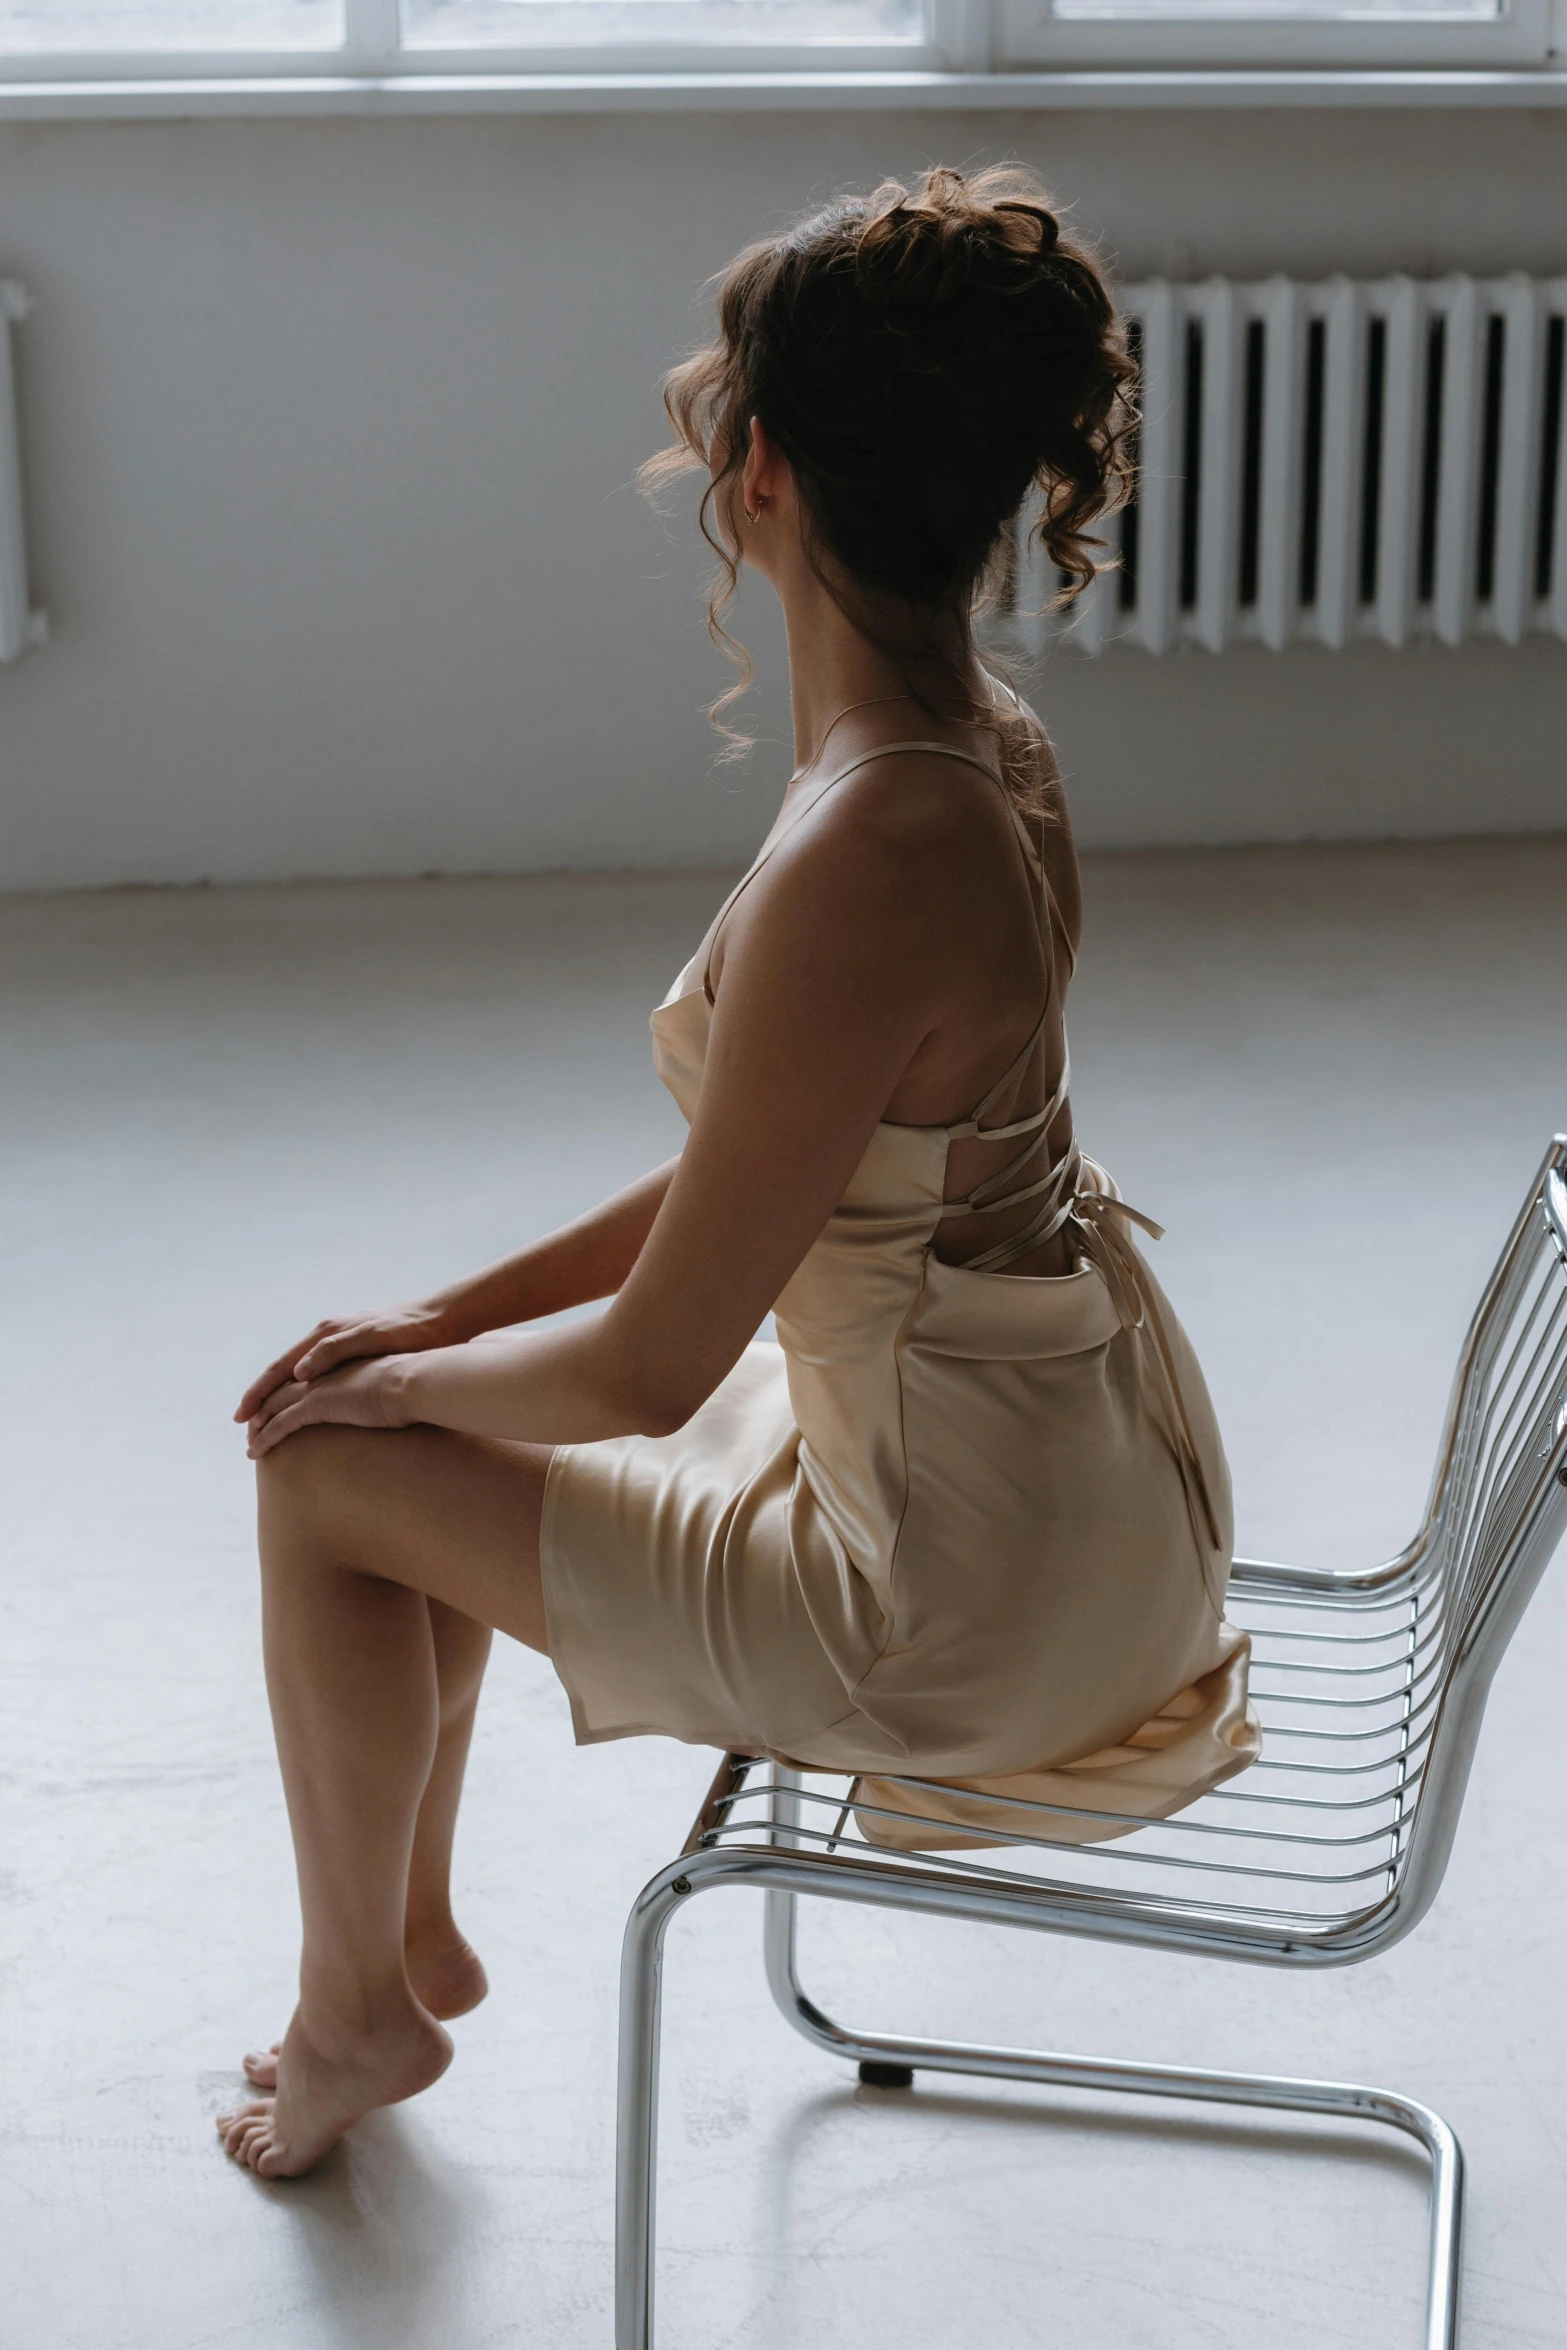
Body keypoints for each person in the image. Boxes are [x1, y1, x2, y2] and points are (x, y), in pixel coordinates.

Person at [217, 165, 1257, 2182]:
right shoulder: (978, 747)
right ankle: (397, 1933)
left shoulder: (869, 849)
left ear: (761, 473)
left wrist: (391, 1393)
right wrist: (442, 1319)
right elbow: (776, 1171)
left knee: (324, 1472)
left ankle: (358, 2004)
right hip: (1043, 1462)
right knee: (388, 1432)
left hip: (954, 1590)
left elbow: (644, 1369)